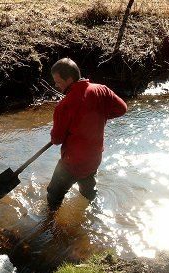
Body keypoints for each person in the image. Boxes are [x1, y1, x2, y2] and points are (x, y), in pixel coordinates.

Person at [47, 57, 127, 212]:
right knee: (88, 192)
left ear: (69, 79)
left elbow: (56, 139)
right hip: (94, 158)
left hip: (71, 163)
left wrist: (56, 132)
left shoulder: (64, 105)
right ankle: (94, 213)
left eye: (58, 81)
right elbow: (122, 109)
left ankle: (49, 226)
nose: (56, 85)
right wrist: (101, 116)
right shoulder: (102, 89)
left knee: (53, 195)